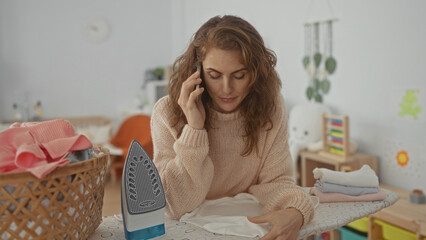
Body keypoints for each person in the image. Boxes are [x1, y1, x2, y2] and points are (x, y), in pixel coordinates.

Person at [151, 15, 314, 240]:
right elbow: (176, 205)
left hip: (245, 226)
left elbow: (276, 182)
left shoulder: (271, 106)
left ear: (255, 73)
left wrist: (296, 211)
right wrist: (194, 129)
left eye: (239, 75)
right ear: (197, 72)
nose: (226, 89)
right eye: (214, 75)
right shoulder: (167, 113)